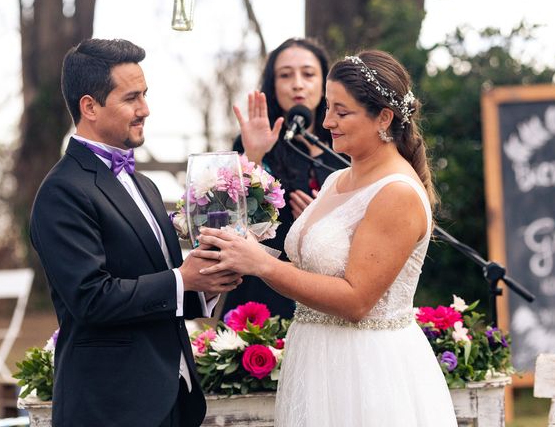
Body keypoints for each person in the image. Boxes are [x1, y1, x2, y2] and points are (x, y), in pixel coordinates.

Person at [192, 50, 458, 426]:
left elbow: (356, 300)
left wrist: (262, 264)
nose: (328, 120)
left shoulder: (396, 192)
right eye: (328, 107)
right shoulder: (337, 179)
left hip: (366, 370)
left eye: (342, 111)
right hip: (316, 359)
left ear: (383, 117)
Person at [29, 38, 241, 427]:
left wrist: (206, 285)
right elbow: (91, 299)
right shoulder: (62, 191)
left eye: (144, 95)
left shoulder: (145, 185)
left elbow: (161, 285)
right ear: (89, 106)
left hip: (174, 398)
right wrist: (182, 279)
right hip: (111, 406)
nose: (145, 109)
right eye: (131, 98)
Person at [221, 37, 348, 320]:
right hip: (264, 292)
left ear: (326, 84)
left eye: (308, 73)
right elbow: (231, 222)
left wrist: (322, 222)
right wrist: (253, 155)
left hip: (330, 292)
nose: (298, 83)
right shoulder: (254, 142)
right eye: (286, 75)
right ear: (273, 84)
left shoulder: (344, 147)